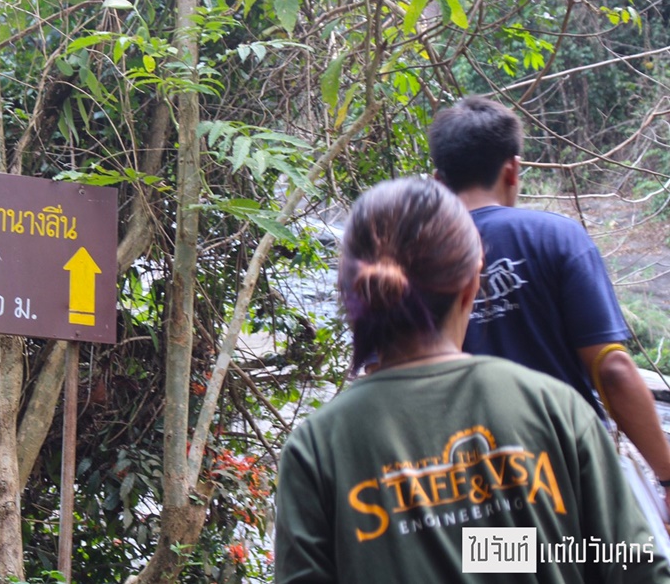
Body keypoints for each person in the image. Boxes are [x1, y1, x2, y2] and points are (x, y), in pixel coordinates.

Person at [274, 177, 670, 582]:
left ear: (351, 293)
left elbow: (466, 550)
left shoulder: (317, 447)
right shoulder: (555, 409)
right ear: (471, 284)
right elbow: (633, 565)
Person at [427, 96, 670, 514]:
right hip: (570, 480)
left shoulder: (408, 259)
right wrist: (666, 475)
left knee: (501, 559)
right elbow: (611, 369)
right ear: (512, 169)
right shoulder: (557, 238)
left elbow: (386, 382)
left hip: (465, 496)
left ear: (438, 180)